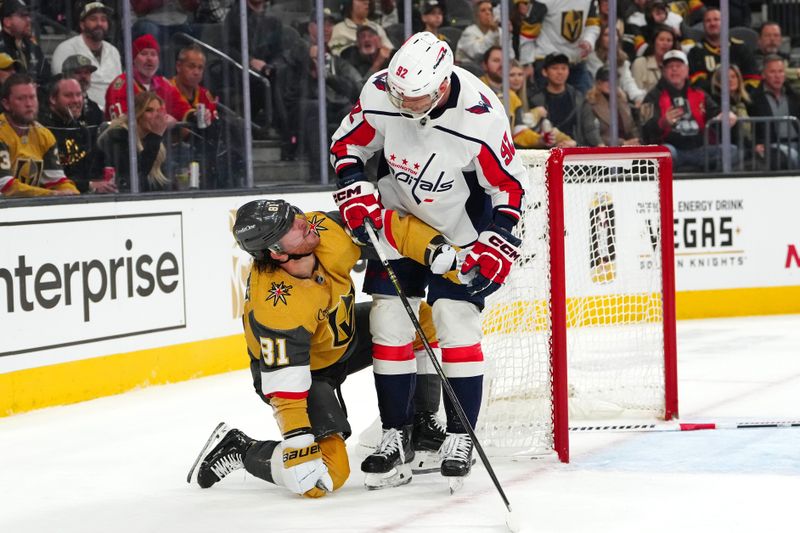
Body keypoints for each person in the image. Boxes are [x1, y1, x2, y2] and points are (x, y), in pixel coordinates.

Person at [330, 32, 526, 487]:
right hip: (398, 220)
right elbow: (347, 146)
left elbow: (508, 187)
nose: (405, 107)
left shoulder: (480, 113)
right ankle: (397, 431)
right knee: (389, 322)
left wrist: (498, 239)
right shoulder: (382, 92)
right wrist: (356, 187)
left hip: (460, 226)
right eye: (400, 96)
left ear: (441, 88)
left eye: (416, 99)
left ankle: (460, 435)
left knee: (455, 319)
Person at [189, 198, 459, 496]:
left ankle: (422, 424)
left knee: (421, 320)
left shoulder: (321, 230)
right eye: (289, 225)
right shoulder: (277, 306)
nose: (302, 221)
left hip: (342, 338)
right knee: (325, 477)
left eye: (293, 213)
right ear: (276, 252)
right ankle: (242, 449)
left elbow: (385, 226)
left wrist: (433, 248)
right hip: (305, 377)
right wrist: (298, 446)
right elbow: (286, 390)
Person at [640, 49, 738, 171]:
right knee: (665, 153)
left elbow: (716, 112)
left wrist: (726, 115)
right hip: (672, 150)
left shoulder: (699, 94)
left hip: (700, 150)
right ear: (663, 71)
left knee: (731, 151)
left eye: (678, 66)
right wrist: (663, 122)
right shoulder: (652, 97)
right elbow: (644, 129)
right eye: (670, 66)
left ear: (687, 70)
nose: (674, 69)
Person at [0, 73, 79, 197]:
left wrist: (73, 194)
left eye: (32, 97)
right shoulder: (1, 134)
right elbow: (5, 187)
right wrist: (52, 194)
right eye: (21, 98)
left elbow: (57, 180)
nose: (29, 104)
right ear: (6, 104)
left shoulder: (44, 135)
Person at [39, 76, 112, 194]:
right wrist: (89, 185)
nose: (76, 100)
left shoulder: (84, 128)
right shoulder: (42, 130)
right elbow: (49, 180)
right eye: (68, 95)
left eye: (79, 95)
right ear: (52, 98)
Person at [93, 90, 171, 192]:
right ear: (137, 114)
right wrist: (155, 136)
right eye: (149, 110)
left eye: (158, 111)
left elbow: (160, 182)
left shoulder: (155, 141)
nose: (156, 116)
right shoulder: (118, 136)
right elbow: (135, 176)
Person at [104, 34, 193, 123]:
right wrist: (158, 121)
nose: (149, 58)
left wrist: (196, 116)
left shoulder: (163, 84)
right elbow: (120, 124)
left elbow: (182, 108)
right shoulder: (121, 86)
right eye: (144, 53)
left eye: (153, 54)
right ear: (133, 59)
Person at [518, 0, 601, 94]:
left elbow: (593, 24)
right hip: (547, 62)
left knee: (585, 104)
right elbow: (528, 31)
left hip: (576, 62)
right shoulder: (543, 1)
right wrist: (526, 62)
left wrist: (589, 40)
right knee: (546, 106)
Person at [51, 2, 121, 111]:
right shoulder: (66, 49)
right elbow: (62, 89)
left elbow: (119, 87)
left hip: (113, 115)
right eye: (93, 19)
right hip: (83, 112)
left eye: (103, 19)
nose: (99, 23)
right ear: (82, 24)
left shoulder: (113, 51)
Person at [480, 48, 554, 149]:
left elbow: (519, 131)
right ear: (484, 65)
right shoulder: (474, 88)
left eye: (505, 61)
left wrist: (540, 139)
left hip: (499, 153)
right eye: (496, 61)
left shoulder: (512, 96)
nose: (502, 65)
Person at [747, 55, 800, 170]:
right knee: (792, 156)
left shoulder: (793, 95)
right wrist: (756, 144)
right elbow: (751, 129)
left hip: (797, 141)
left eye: (780, 72)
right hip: (772, 145)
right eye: (772, 72)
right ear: (763, 75)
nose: (777, 76)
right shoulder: (754, 99)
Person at [687, 8, 759, 92]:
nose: (712, 23)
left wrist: (739, 96)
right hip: (711, 102)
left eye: (716, 19)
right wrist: (720, 94)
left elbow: (753, 80)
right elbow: (697, 83)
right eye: (708, 21)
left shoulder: (741, 48)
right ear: (703, 25)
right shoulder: (695, 52)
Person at [529, 52, 584, 144]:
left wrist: (576, 144)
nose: (560, 72)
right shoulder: (536, 99)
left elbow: (587, 128)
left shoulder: (578, 97)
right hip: (547, 150)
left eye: (564, 68)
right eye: (554, 68)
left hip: (574, 148)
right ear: (544, 72)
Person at [585, 24, 646, 105]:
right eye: (606, 35)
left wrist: (637, 97)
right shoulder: (592, 57)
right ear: (600, 38)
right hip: (596, 98)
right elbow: (604, 80)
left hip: (616, 98)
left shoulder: (621, 59)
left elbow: (627, 81)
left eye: (614, 35)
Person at [580, 65, 641, 146]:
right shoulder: (590, 104)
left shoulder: (622, 102)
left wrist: (636, 141)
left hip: (627, 149)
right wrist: (622, 143)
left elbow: (632, 127)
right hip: (604, 151)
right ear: (598, 83)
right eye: (607, 80)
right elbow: (591, 133)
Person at [0, 0, 48, 91]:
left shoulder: (33, 46)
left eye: (28, 15)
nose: (29, 19)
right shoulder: (1, 47)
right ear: (7, 22)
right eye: (22, 16)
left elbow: (47, 77)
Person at [330, 0, 395, 56]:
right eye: (361, 0)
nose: (366, 2)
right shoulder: (338, 29)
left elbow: (390, 51)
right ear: (349, 3)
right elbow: (337, 57)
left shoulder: (377, 27)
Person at [455, 0, 502, 69]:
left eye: (490, 10)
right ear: (476, 15)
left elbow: (509, 55)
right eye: (483, 10)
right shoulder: (469, 32)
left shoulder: (500, 31)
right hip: (471, 71)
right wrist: (493, 32)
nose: (488, 13)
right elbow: (478, 54)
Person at [631, 24, 677, 93]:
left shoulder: (677, 66)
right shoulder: (640, 63)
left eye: (669, 40)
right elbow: (636, 94)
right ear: (654, 42)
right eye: (661, 40)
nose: (665, 43)